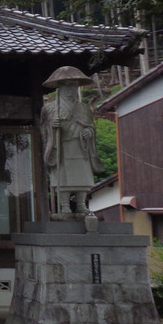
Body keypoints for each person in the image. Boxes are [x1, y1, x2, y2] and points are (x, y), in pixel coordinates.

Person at [40, 67, 103, 217]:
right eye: (68, 85)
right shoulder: (49, 109)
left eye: (74, 85)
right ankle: (64, 205)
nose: (71, 89)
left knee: (82, 176)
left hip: (80, 146)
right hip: (61, 147)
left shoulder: (84, 108)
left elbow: (91, 126)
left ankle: (81, 204)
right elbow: (43, 129)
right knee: (63, 176)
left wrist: (89, 132)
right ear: (60, 88)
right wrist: (52, 128)